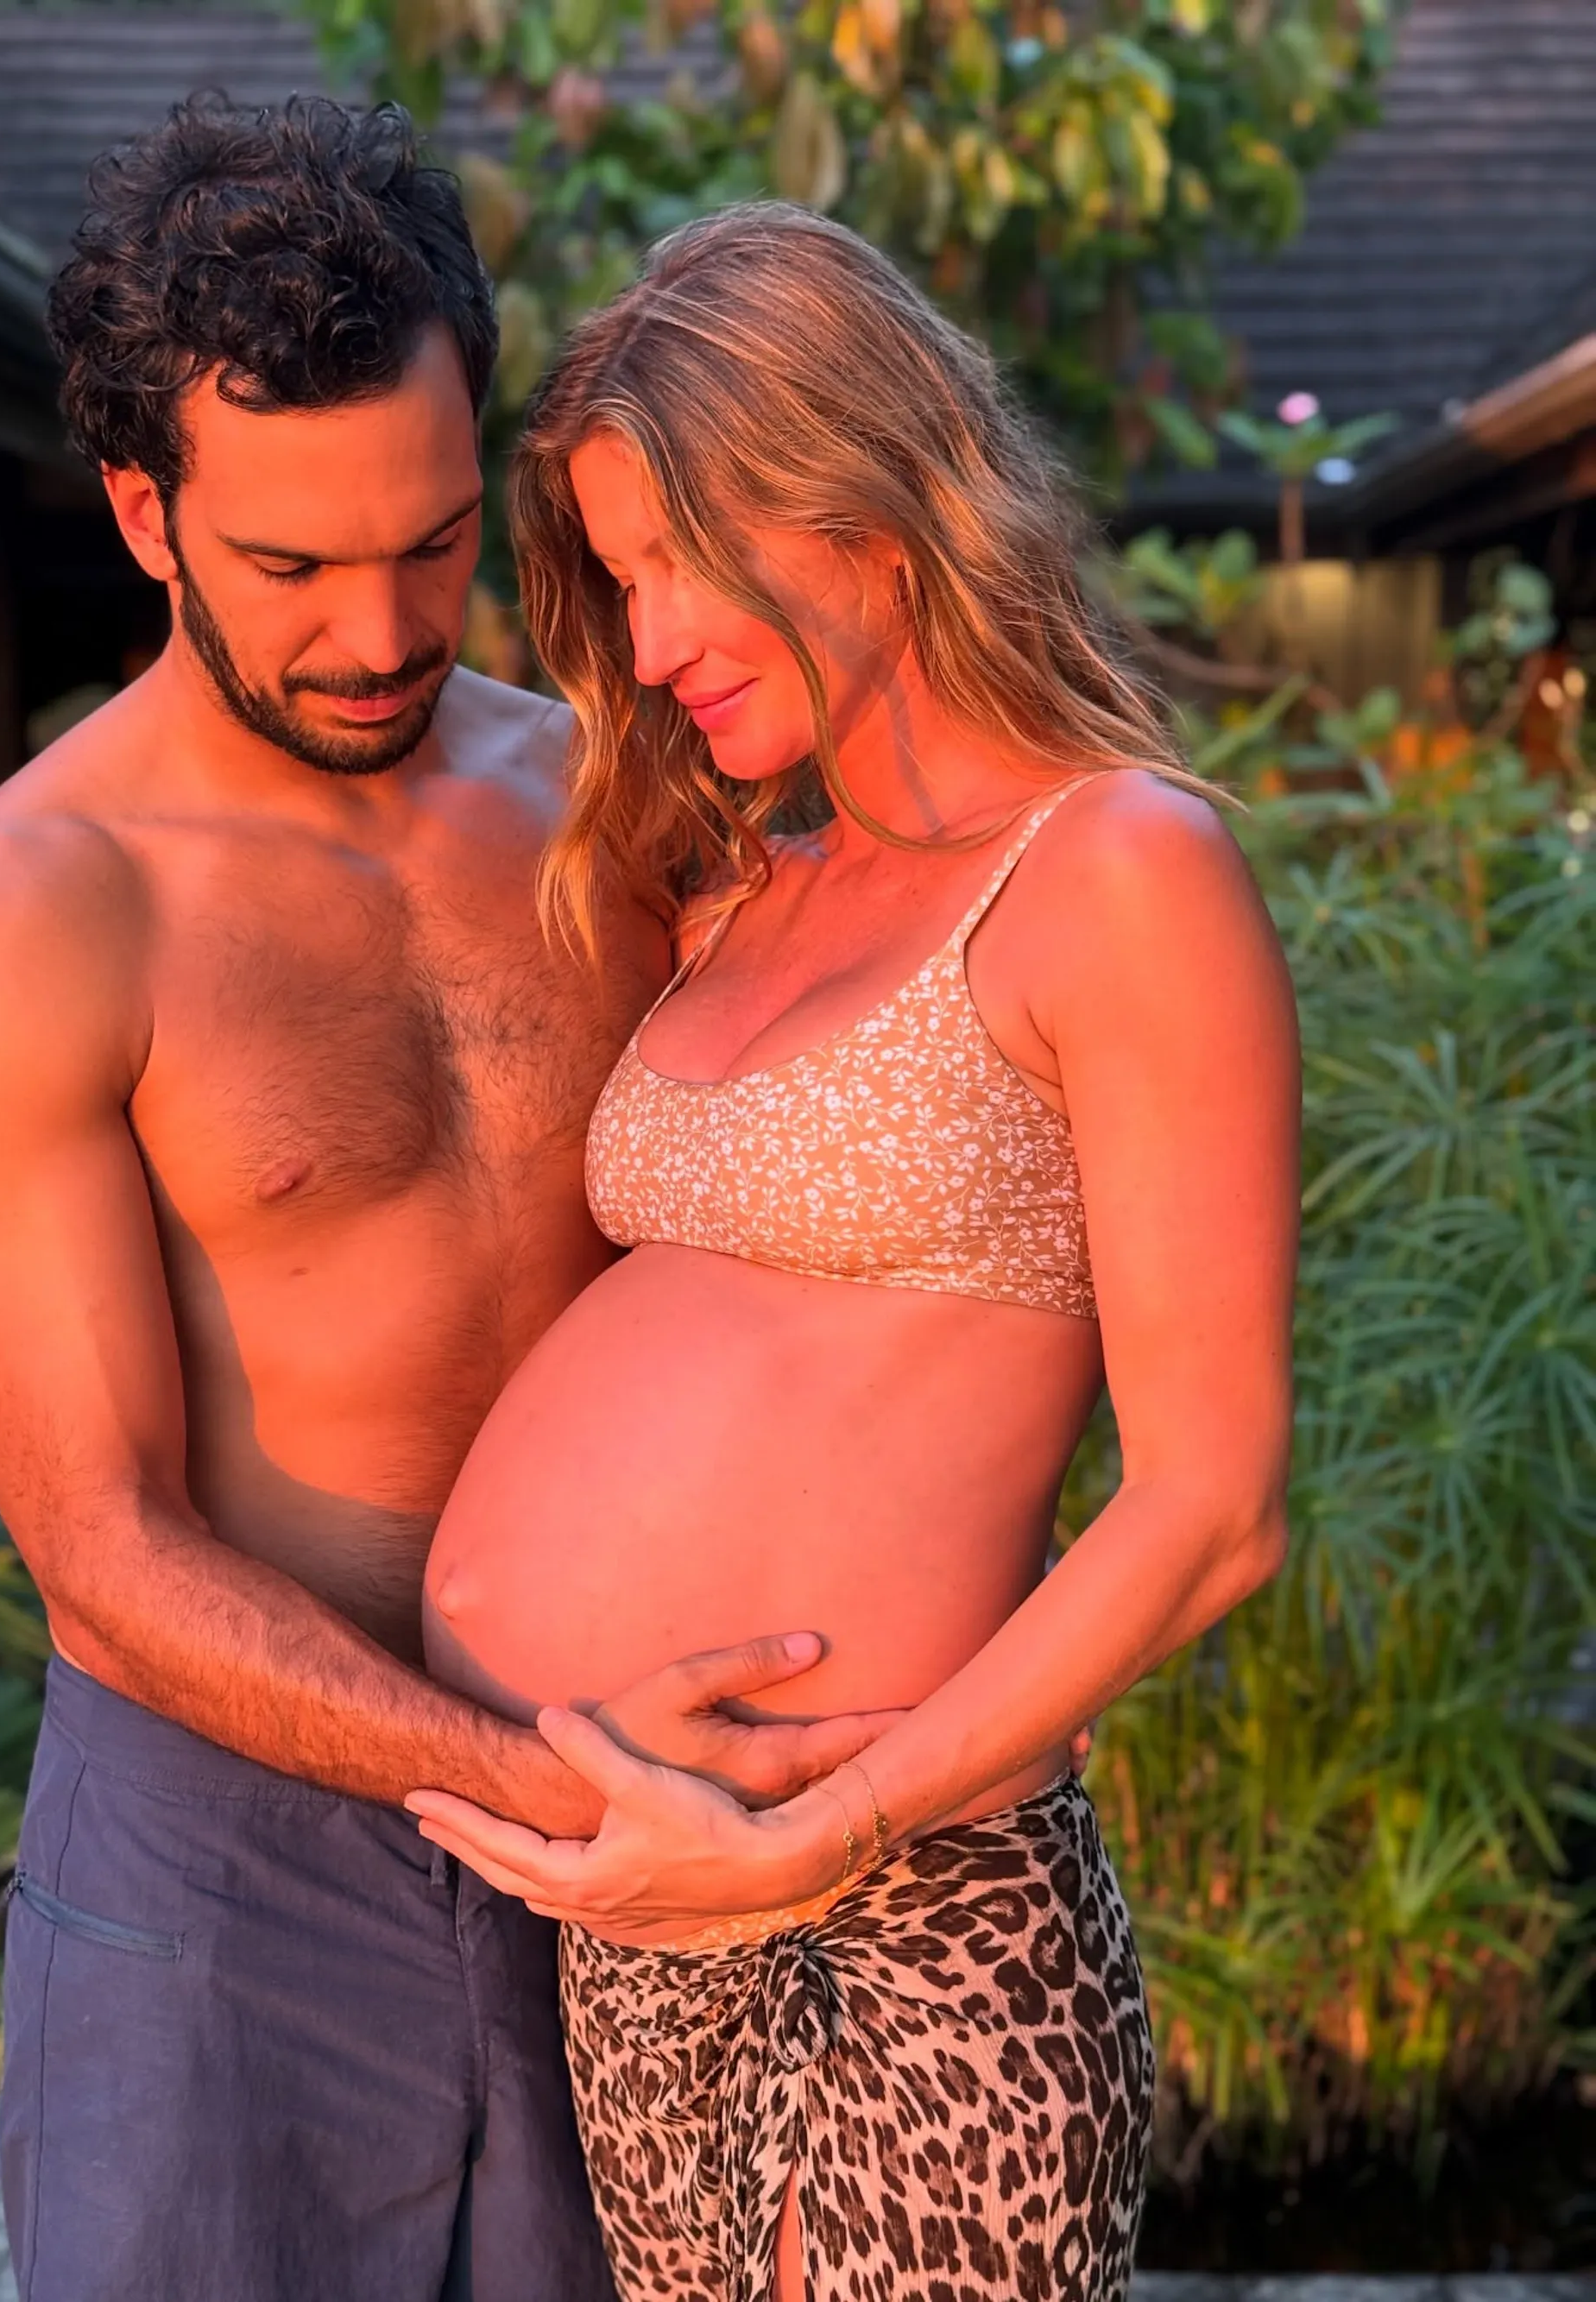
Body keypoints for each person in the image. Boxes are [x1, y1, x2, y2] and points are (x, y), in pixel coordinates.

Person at [0, 110, 895, 2302]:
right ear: (143, 511)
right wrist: (525, 1774)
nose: (376, 630)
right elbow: (104, 1550)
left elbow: (859, 1210)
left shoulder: (615, 808)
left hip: (634, 1815)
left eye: (431, 547)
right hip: (225, 1858)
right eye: (292, 567)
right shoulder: (24, 923)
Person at [409, 203, 1302, 2302]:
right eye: (614, 579)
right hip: (637, 1910)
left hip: (909, 1901)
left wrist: (830, 1828)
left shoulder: (1118, 873)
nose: (638, 646)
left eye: (678, 565)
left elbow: (1215, 1503)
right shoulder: (740, 894)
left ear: (865, 508)